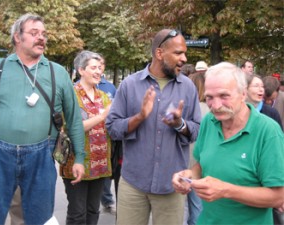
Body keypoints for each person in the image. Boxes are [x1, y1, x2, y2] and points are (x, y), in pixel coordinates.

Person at [0, 13, 85, 225]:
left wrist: (79, 158)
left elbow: (74, 118)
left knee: (40, 219)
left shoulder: (58, 73)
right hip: (0, 155)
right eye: (34, 33)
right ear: (17, 38)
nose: (41, 38)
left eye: (43, 34)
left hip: (41, 156)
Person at [106, 29, 202, 225]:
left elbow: (197, 130)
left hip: (172, 185)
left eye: (185, 53)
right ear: (159, 53)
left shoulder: (188, 87)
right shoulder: (129, 85)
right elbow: (112, 128)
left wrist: (180, 124)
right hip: (133, 184)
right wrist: (140, 117)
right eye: (178, 53)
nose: (184, 58)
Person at [172, 62, 284, 225]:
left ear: (243, 94)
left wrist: (226, 190)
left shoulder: (268, 131)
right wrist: (189, 176)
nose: (215, 106)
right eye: (209, 97)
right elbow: (202, 164)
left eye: (224, 96)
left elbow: (278, 196)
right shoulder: (209, 121)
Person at [60, 50, 112, 225]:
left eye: (100, 68)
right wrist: (101, 117)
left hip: (100, 164)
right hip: (76, 162)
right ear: (81, 70)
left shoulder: (104, 97)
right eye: (93, 67)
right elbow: (71, 127)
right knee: (77, 214)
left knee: (93, 211)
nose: (98, 71)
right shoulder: (71, 95)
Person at [183, 72, 210, 225]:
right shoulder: (211, 111)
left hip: (182, 164)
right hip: (200, 166)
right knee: (197, 207)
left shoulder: (185, 109)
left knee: (182, 208)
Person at [97, 55, 117, 215]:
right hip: (87, 137)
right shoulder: (76, 87)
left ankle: (107, 200)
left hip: (107, 136)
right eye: (95, 65)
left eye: (101, 64)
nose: (99, 68)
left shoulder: (110, 87)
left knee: (105, 169)